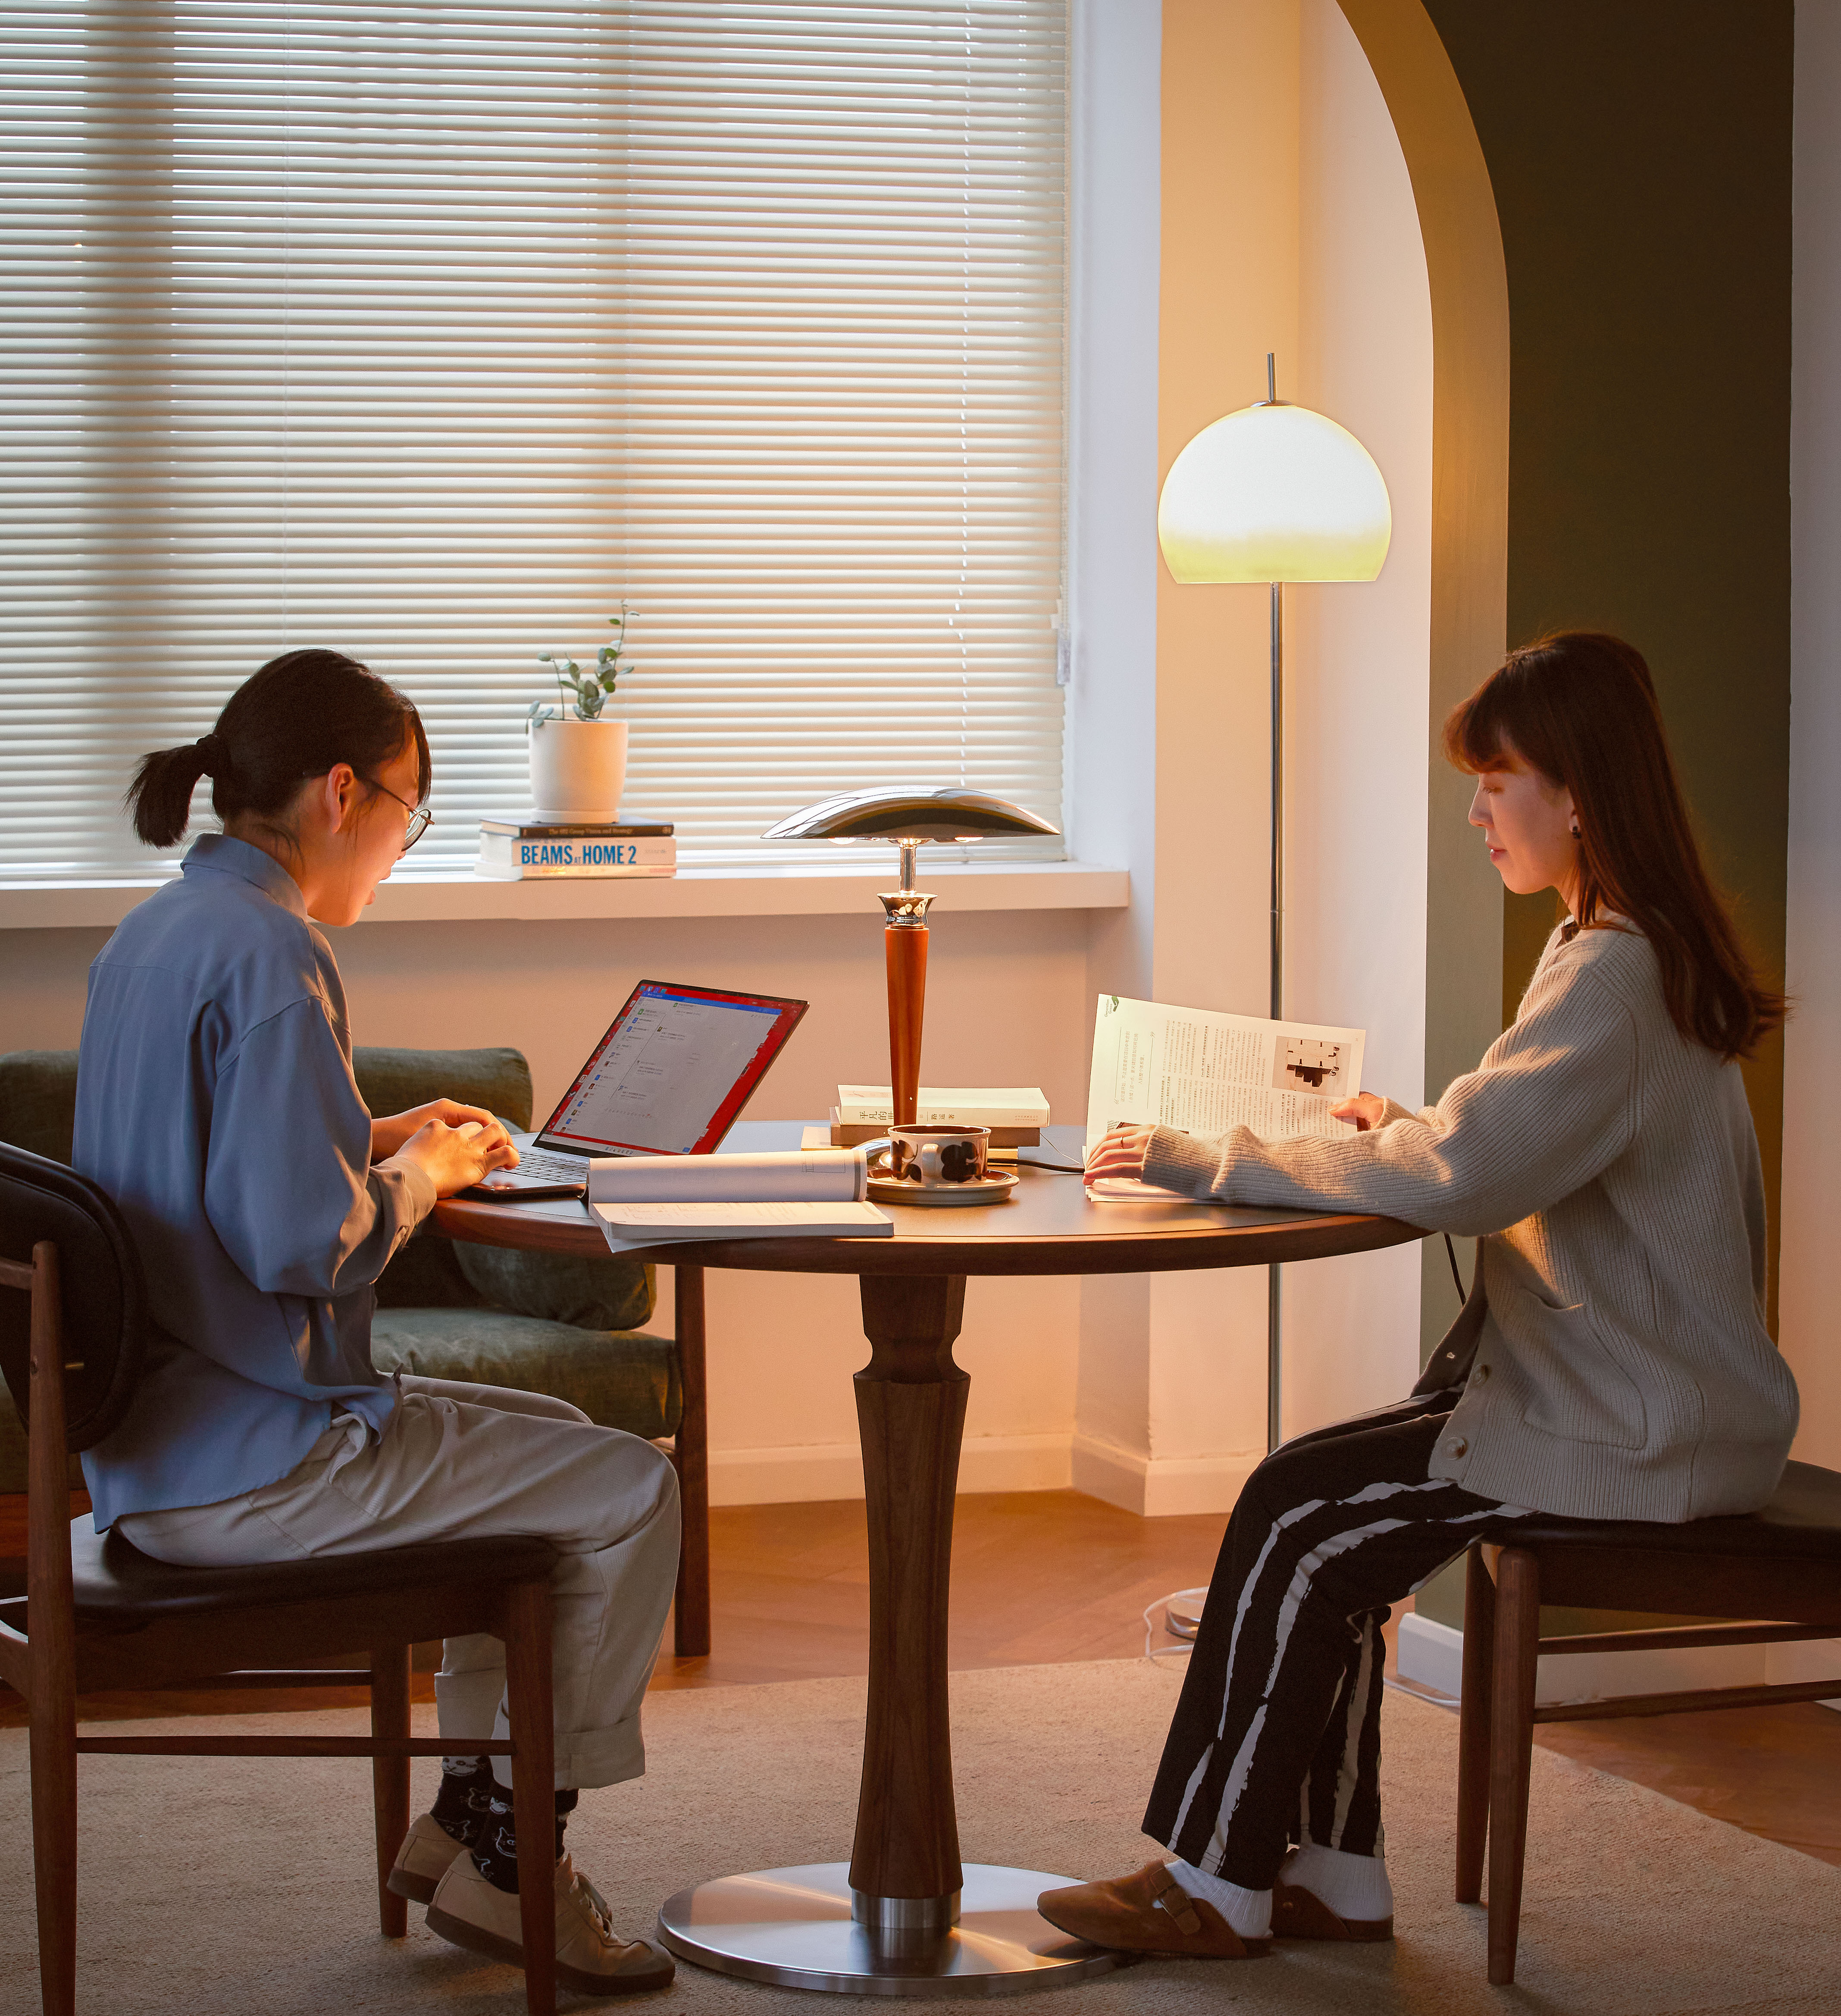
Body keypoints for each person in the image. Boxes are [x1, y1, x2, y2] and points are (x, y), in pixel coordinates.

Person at [1038, 631, 1799, 1960]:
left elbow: (1461, 1172)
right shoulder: (1619, 944)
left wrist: (1203, 1148)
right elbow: (1501, 1140)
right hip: (1637, 1399)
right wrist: (1413, 1124)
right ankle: (1331, 1868)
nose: (1475, 810)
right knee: (1316, 1508)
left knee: (1301, 1510)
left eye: (1495, 780)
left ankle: (1216, 1885)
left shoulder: (1613, 968)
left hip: (1628, 1426)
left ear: (1577, 792)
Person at [74, 648, 679, 1998]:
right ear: (343, 792)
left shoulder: (156, 935)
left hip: (156, 1455)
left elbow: (215, 1163)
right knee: (634, 1485)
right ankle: (517, 1857)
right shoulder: (281, 952)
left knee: (565, 1438)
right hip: (264, 1464)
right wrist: (427, 1174)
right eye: (410, 808)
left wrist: (376, 1130)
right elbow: (302, 1242)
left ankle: (474, 1821)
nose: (402, 845)